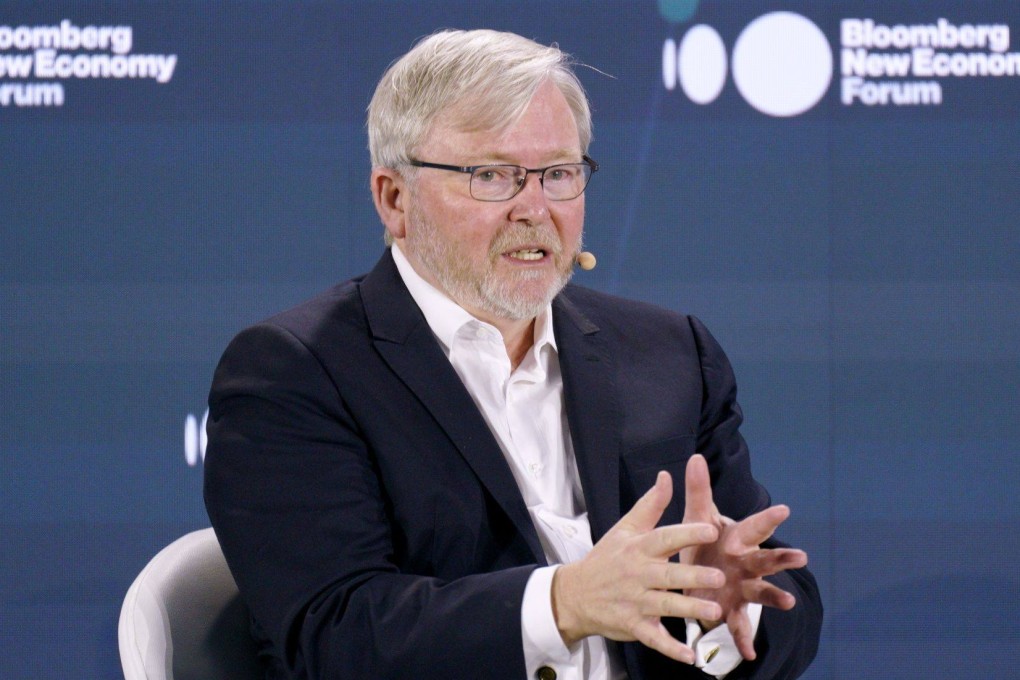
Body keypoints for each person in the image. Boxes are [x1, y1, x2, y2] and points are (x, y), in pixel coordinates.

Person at [204, 29, 822, 680]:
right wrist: (562, 604)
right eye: (491, 176)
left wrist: (726, 610)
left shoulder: (671, 356)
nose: (534, 209)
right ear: (394, 200)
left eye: (558, 174)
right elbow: (336, 635)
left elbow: (784, 604)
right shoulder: (297, 372)